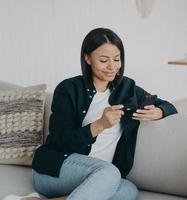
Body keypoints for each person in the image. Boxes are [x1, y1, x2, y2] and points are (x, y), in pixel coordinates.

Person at [24, 28, 177, 200]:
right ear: (87, 58)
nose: (112, 67)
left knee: (128, 191)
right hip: (55, 170)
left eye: (117, 59)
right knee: (110, 173)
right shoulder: (68, 89)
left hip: (100, 178)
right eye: (104, 60)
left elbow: (168, 106)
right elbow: (60, 141)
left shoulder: (127, 88)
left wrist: (159, 112)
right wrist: (99, 125)